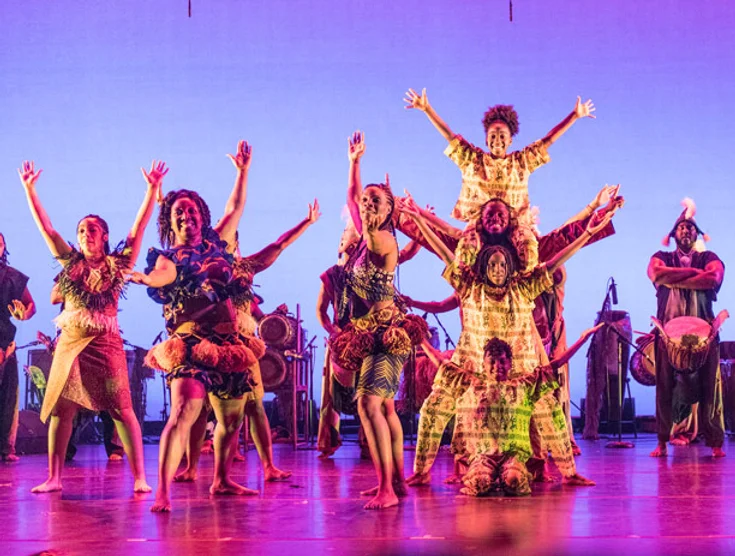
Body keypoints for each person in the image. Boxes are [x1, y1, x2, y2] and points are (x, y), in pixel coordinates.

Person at [400, 193, 615, 486]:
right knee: (435, 406)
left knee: (548, 407)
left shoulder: (523, 287)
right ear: (484, 265)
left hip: (516, 363)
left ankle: (567, 470)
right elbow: (443, 249)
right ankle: (423, 471)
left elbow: (557, 259)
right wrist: (417, 219)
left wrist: (589, 231)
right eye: (492, 265)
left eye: (503, 266)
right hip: (475, 363)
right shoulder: (470, 285)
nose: (498, 270)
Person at [130, 140, 266, 511]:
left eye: (190, 210)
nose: (185, 215)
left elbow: (235, 207)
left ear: (202, 218)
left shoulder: (218, 244)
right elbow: (162, 276)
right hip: (189, 344)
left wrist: (242, 172)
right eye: (177, 211)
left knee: (231, 418)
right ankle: (162, 492)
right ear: (169, 221)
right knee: (183, 412)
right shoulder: (167, 257)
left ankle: (221, 479)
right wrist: (144, 280)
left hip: (228, 343)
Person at [19, 160, 162, 493]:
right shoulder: (70, 264)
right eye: (81, 231)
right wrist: (30, 190)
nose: (85, 235)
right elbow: (48, 230)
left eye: (92, 230)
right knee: (61, 409)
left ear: (104, 236)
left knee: (122, 408)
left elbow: (138, 230)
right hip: (71, 341)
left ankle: (140, 476)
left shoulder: (118, 264)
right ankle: (54, 477)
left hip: (105, 341)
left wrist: (151, 191)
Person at [175, 203, 320, 482]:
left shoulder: (244, 267)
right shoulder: (199, 266)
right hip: (206, 341)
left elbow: (279, 245)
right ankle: (191, 467)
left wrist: (306, 222)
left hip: (241, 344)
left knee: (255, 404)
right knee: (202, 407)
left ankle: (268, 467)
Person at [328, 131, 426, 509]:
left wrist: (366, 205)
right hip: (368, 331)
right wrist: (354, 162)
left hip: (387, 334)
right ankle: (396, 482)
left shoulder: (381, 239)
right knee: (384, 407)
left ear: (387, 212)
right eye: (366, 201)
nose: (366, 205)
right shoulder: (366, 236)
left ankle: (387, 488)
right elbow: (353, 201)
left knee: (369, 404)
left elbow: (359, 212)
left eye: (376, 202)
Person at [403, 87, 595, 223]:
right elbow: (449, 135)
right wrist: (427, 109)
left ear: (510, 140)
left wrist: (574, 116)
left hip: (514, 229)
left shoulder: (521, 163)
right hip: (479, 228)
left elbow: (548, 140)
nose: (497, 140)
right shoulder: (472, 160)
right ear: (486, 140)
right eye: (493, 135)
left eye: (502, 135)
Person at [647, 199, 726, 458]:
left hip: (704, 334)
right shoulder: (661, 257)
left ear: (697, 234)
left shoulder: (709, 257)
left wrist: (675, 276)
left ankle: (715, 442)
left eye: (690, 228)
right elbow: (657, 275)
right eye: (680, 227)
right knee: (664, 388)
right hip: (668, 335)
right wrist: (695, 276)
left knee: (709, 389)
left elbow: (713, 277)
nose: (685, 230)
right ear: (673, 234)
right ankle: (661, 441)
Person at [0, 232, 36, 463]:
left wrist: (24, 313)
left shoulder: (11, 276)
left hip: (4, 341)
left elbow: (30, 305)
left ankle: (5, 447)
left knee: (7, 398)